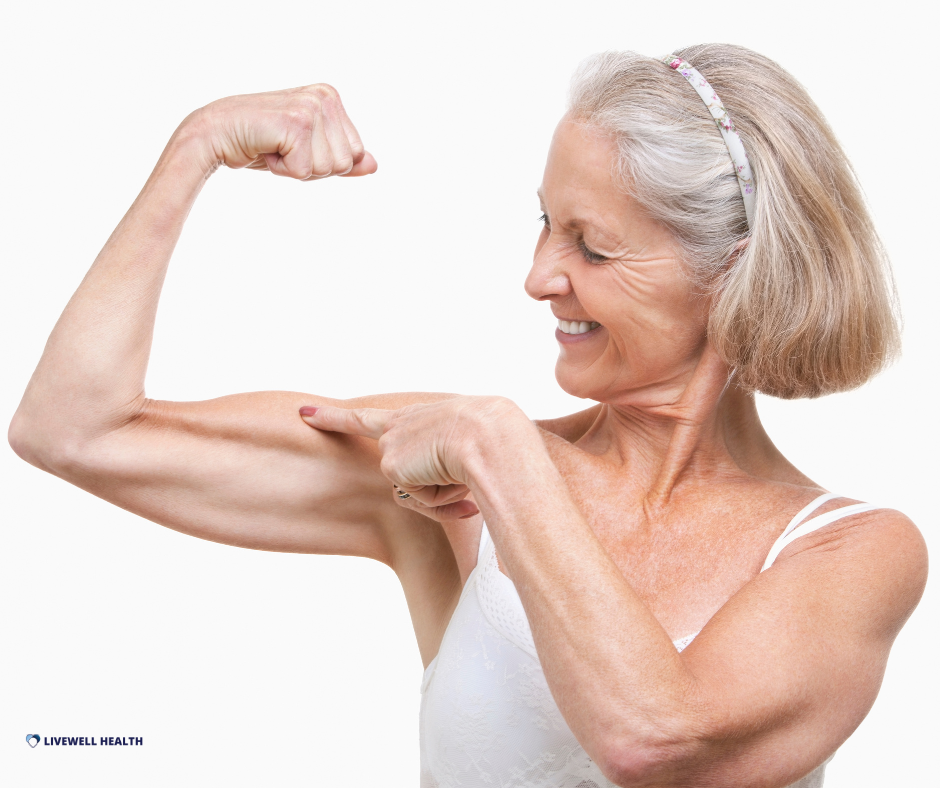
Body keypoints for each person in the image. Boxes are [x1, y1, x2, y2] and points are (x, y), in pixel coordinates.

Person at [8, 43, 927, 788]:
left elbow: (657, 744)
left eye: (592, 247)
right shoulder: (449, 463)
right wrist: (195, 146)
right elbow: (73, 432)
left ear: (732, 271)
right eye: (544, 222)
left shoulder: (853, 551)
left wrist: (503, 451)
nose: (538, 277)